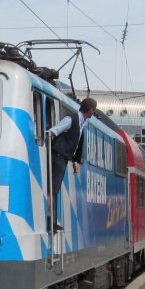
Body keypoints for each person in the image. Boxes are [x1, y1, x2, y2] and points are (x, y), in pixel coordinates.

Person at [45, 96, 97, 228]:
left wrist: (74, 161)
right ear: (90, 110)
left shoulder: (82, 122)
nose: (94, 112)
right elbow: (52, 132)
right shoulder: (71, 119)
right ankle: (49, 219)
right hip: (57, 156)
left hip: (63, 158)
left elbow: (75, 142)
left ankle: (51, 219)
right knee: (53, 188)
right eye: (94, 110)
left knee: (54, 188)